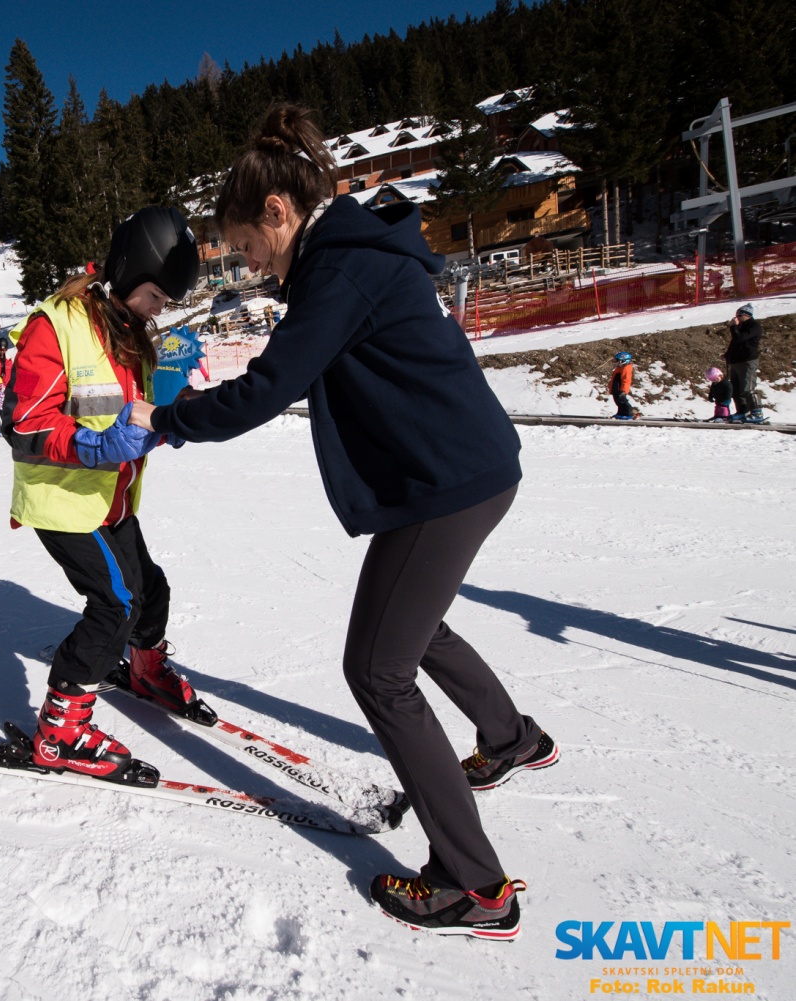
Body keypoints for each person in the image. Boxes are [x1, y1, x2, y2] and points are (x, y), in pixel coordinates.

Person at [132, 104, 553, 939]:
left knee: (376, 667)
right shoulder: (350, 254)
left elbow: (267, 388)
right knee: (415, 626)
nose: (252, 267)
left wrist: (167, 418)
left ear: (279, 215)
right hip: (458, 470)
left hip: (449, 481)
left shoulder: (339, 270)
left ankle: (475, 884)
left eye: (250, 248)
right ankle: (510, 739)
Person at [4, 206, 205, 783]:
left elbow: (128, 416)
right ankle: (60, 731)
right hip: (62, 497)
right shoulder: (58, 323)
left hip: (111, 498)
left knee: (150, 588)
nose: (160, 307)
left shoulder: (127, 331)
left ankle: (144, 669)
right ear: (133, 268)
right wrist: (93, 448)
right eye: (157, 295)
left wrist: (169, 422)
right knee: (115, 604)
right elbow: (24, 422)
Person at [724, 304, 765, 423]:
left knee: (747, 388)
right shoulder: (740, 326)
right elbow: (735, 343)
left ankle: (757, 412)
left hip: (748, 360)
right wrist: (728, 354)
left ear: (747, 315)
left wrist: (734, 327)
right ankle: (742, 411)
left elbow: (740, 339)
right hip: (736, 361)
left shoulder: (754, 326)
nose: (736, 317)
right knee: (736, 389)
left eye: (739, 315)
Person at [609, 351, 636, 420]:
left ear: (623, 361)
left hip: (620, 389)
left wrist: (623, 390)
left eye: (617, 361)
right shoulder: (620, 368)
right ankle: (621, 413)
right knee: (618, 401)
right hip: (616, 388)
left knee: (622, 401)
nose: (615, 363)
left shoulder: (626, 369)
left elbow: (626, 381)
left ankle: (627, 413)